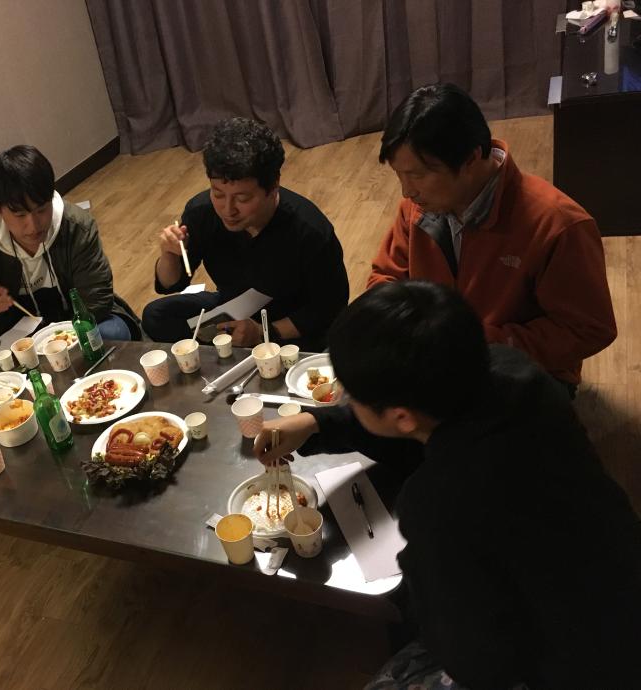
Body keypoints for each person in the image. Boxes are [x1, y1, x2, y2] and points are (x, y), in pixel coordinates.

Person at [254, 281, 641, 689]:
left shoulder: (438, 504)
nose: (347, 399)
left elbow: (474, 661)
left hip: (581, 664)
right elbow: (423, 426)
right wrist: (316, 422)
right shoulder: (516, 372)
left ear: (401, 416)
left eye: (351, 394)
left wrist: (420, 569)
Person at [369, 83, 616, 395]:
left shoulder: (558, 225)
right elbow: (385, 277)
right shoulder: (418, 209)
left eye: (417, 175)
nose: (407, 191)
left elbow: (588, 328)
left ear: (472, 158)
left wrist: (479, 343)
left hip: (524, 372)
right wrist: (398, 324)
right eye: (399, 175)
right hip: (435, 357)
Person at [142, 117, 348, 352]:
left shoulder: (309, 230)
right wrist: (169, 256)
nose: (228, 210)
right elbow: (171, 284)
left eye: (243, 198)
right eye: (218, 194)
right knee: (156, 315)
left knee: (321, 347)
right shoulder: (201, 212)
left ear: (273, 187)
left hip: (289, 322)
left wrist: (263, 332)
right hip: (234, 308)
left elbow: (329, 308)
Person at [0, 145, 140, 357]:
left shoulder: (76, 226)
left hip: (78, 323)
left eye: (41, 210)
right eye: (20, 215)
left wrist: (53, 340)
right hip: (18, 336)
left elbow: (97, 303)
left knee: (112, 332)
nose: (34, 225)